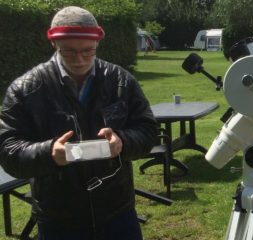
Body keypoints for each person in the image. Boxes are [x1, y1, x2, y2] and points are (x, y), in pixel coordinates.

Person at [0, 6, 157, 239]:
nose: (80, 59)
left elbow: (148, 130)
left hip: (116, 211)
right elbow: (8, 151)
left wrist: (122, 142)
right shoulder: (26, 89)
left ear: (98, 44)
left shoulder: (120, 81)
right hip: (59, 217)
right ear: (54, 44)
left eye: (88, 51)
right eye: (69, 52)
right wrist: (49, 153)